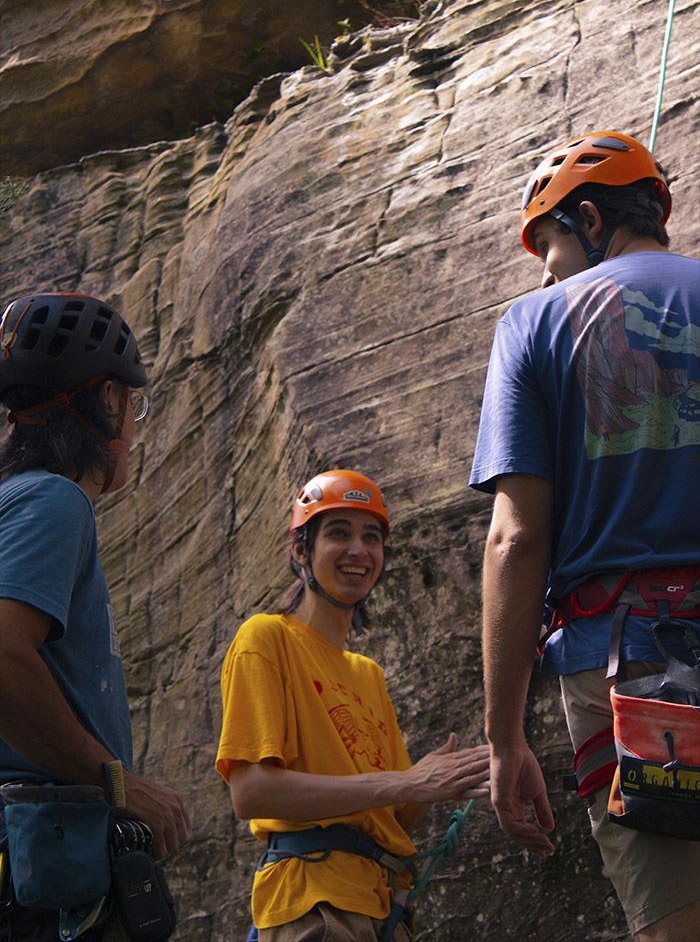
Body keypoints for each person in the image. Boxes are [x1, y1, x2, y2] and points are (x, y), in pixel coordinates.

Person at [469, 130, 700, 941]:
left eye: (551, 244)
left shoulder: (532, 323)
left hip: (627, 665)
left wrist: (504, 740)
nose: (545, 270)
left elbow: (516, 540)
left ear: (593, 219)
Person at [216, 469, 490, 942]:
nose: (359, 550)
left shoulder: (368, 675)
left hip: (383, 907)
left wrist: (431, 785)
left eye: (372, 537)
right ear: (301, 550)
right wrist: (407, 780)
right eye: (338, 534)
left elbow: (390, 816)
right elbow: (253, 792)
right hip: (314, 902)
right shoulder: (265, 638)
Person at [0, 292, 191, 941]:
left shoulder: (14, 503)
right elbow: (2, 657)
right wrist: (117, 783)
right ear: (108, 400)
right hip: (40, 896)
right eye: (133, 404)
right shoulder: (55, 501)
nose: (134, 424)